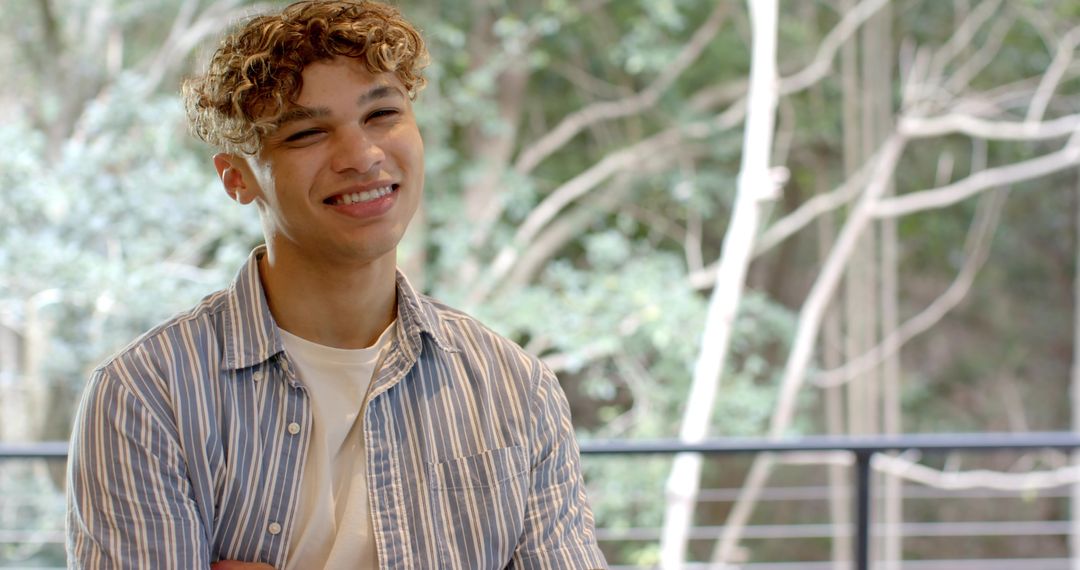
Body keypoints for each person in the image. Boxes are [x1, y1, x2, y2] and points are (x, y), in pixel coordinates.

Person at [64, 1, 607, 568]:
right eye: (306, 133)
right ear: (238, 177)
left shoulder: (515, 389)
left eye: (382, 115)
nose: (363, 156)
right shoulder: (147, 397)